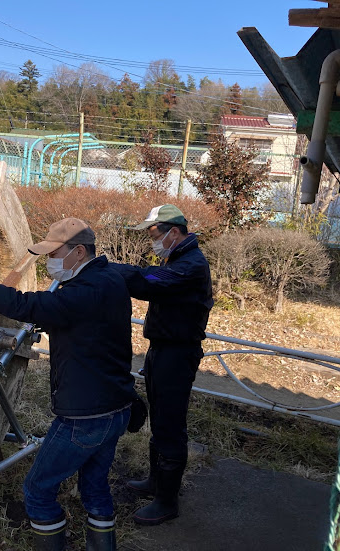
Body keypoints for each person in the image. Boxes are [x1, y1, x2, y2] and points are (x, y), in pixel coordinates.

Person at [0, 217, 136, 551]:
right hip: (117, 407)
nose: (50, 261)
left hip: (83, 419)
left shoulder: (83, 293)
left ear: (79, 252)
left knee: (38, 491)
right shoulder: (110, 278)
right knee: (95, 488)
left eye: (55, 253)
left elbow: (24, 305)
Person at [110, 204, 213, 526]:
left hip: (178, 355)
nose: (151, 240)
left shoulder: (191, 265)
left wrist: (106, 268)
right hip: (162, 350)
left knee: (170, 424)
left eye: (154, 233)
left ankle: (167, 501)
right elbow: (148, 277)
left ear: (174, 231)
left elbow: (148, 281)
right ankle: (156, 483)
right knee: (160, 418)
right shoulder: (177, 259)